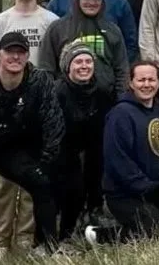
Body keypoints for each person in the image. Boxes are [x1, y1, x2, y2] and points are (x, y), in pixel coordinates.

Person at [0, 32, 64, 253]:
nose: (15, 57)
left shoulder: (39, 81)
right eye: (10, 52)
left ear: (27, 56)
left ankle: (49, 248)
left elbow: (53, 121)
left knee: (42, 184)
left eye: (21, 52)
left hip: (9, 149)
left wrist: (45, 161)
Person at [0, 0, 58, 262]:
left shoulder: (51, 20)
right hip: (3, 113)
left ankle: (25, 237)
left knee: (31, 180)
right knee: (2, 183)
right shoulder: (0, 22)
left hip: (36, 113)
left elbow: (53, 67)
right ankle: (1, 241)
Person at [86, 62, 159, 245]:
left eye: (151, 79)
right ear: (131, 83)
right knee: (154, 230)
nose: (147, 84)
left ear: (158, 82)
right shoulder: (120, 114)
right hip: (124, 193)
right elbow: (118, 162)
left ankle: (155, 218)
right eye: (141, 80)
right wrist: (146, 187)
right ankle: (102, 235)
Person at [53, 42, 115, 241]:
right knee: (73, 190)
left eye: (88, 61)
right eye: (78, 61)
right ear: (68, 66)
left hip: (94, 149)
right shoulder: (57, 91)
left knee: (96, 179)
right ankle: (65, 235)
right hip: (64, 151)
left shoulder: (102, 91)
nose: (84, 66)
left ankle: (92, 223)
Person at [38, 0, 130, 95]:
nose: (92, 2)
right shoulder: (57, 28)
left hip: (105, 101)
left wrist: (120, 100)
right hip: (66, 102)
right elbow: (46, 70)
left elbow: (122, 71)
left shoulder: (113, 30)